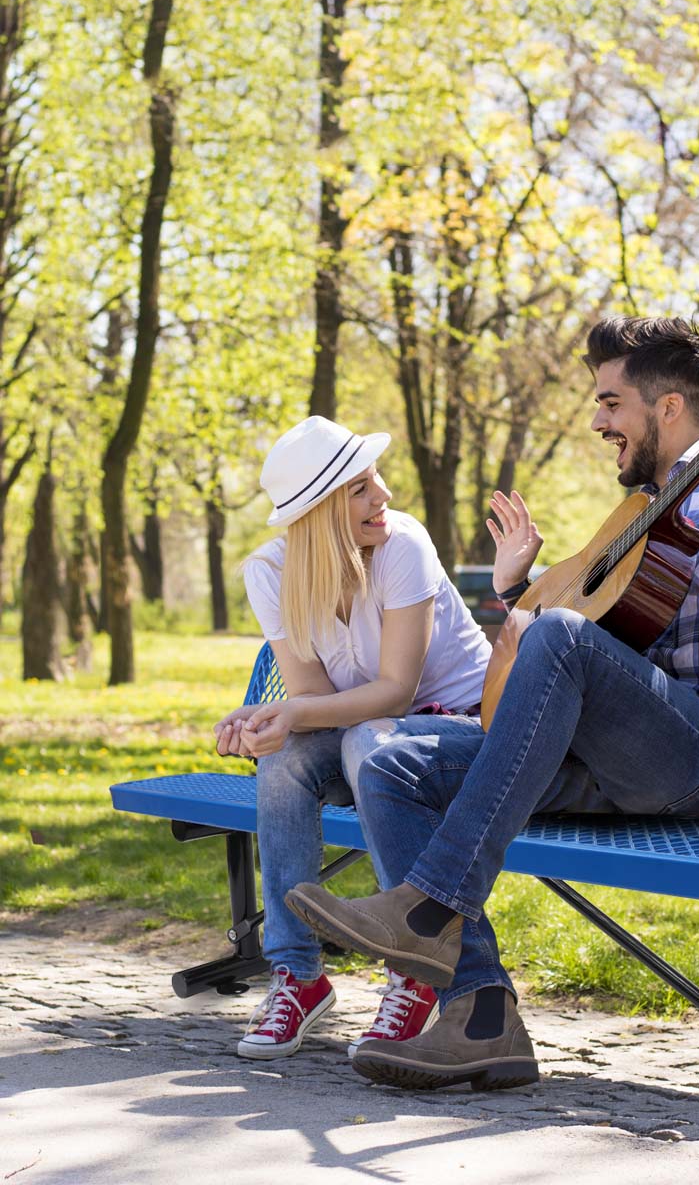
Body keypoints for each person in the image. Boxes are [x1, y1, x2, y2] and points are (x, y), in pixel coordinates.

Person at [283, 317, 699, 1090]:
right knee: (394, 762)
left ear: (666, 408)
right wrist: (515, 594)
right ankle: (480, 1013)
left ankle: (427, 911)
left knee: (558, 638)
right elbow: (592, 634)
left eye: (610, 403)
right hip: (628, 763)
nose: (597, 423)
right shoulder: (642, 511)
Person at [214, 414, 492, 1061]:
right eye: (362, 488)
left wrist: (295, 713)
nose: (385, 496)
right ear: (318, 510)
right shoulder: (270, 572)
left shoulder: (403, 546)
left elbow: (397, 689)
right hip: (367, 731)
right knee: (285, 756)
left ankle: (414, 967)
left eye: (377, 480)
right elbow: (309, 697)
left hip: (458, 729)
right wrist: (265, 719)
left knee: (370, 743)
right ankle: (298, 976)